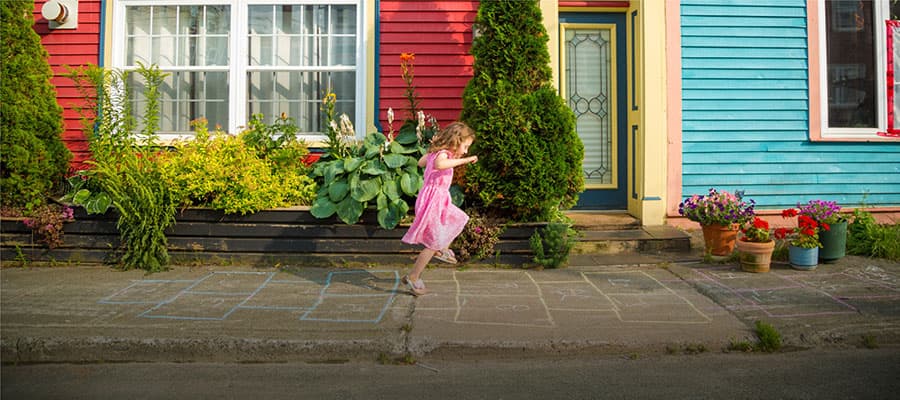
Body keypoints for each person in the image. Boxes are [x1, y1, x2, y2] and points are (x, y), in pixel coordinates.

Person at [400, 121, 478, 296]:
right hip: (433, 200)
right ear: (455, 141)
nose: (466, 151)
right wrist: (464, 160)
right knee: (432, 244)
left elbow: (421, 163)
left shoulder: (438, 153)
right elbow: (439, 165)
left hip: (439, 199)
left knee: (459, 218)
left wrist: (431, 153)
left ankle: (442, 248)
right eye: (465, 146)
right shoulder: (442, 155)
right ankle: (413, 276)